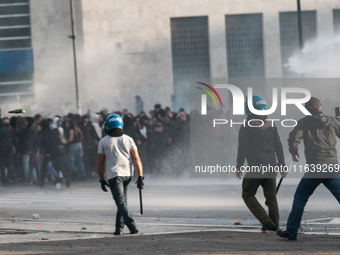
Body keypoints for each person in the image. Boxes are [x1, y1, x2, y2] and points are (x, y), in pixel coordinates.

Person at [277, 97, 340, 240]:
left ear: (308, 110)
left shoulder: (303, 123)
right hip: (332, 167)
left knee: (300, 198)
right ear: (320, 107)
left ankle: (292, 231)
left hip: (315, 167)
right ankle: (292, 230)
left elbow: (294, 138)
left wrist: (293, 152)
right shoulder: (332, 121)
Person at [236, 95, 286, 232]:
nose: (245, 106)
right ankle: (274, 225)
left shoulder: (247, 126)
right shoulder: (271, 124)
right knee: (271, 197)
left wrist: (239, 166)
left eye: (246, 104)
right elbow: (279, 147)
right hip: (272, 166)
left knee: (247, 194)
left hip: (256, 168)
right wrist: (282, 165)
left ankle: (266, 222)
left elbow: (242, 149)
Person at [97, 114, 144, 235]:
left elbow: (100, 163)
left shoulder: (103, 142)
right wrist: (140, 177)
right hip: (128, 175)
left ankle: (131, 224)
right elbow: (137, 159)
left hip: (114, 175)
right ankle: (119, 228)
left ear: (107, 126)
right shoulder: (129, 139)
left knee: (120, 201)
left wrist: (101, 179)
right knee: (123, 201)